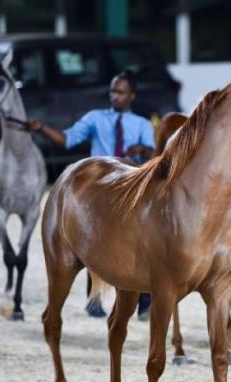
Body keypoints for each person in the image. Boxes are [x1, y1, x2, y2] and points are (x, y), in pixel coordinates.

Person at [28, 70, 154, 319]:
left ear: (132, 96)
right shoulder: (95, 118)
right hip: (103, 183)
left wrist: (143, 148)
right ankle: (93, 295)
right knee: (93, 230)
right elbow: (67, 139)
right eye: (112, 91)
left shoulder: (142, 124)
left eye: (120, 92)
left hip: (132, 184)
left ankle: (145, 297)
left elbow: (153, 155)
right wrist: (41, 128)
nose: (115, 96)